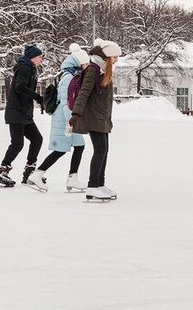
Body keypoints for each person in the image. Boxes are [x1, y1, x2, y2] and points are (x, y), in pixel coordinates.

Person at [27, 44, 90, 192]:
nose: (87, 66)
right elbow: (65, 102)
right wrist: (71, 122)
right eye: (85, 63)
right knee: (60, 150)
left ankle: (72, 178)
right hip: (65, 120)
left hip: (68, 119)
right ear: (77, 63)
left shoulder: (72, 76)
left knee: (79, 146)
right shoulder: (69, 78)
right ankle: (37, 174)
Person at [70, 38, 122, 201]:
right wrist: (76, 114)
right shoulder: (94, 69)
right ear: (107, 56)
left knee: (104, 150)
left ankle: (100, 184)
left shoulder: (102, 69)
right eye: (114, 57)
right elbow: (84, 92)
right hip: (94, 117)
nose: (116, 60)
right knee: (100, 150)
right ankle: (92, 186)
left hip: (102, 117)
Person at [0, 44, 45, 188]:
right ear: (33, 57)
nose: (41, 59)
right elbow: (20, 87)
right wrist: (38, 97)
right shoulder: (24, 67)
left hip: (24, 113)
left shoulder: (30, 68)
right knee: (17, 143)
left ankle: (29, 171)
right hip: (16, 112)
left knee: (37, 139)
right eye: (40, 56)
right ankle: (2, 172)